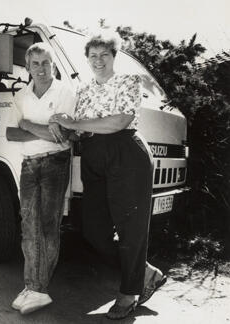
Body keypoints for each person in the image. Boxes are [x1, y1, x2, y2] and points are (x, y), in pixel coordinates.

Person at [49, 30, 167, 320]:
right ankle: (145, 272)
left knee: (130, 228)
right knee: (93, 230)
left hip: (125, 153)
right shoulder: (84, 90)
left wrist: (75, 121)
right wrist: (59, 121)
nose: (98, 60)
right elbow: (77, 128)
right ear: (87, 59)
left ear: (114, 56)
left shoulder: (129, 81)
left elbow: (120, 121)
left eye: (104, 55)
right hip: (92, 158)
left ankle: (129, 293)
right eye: (93, 56)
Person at [6, 42, 76, 315]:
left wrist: (27, 124)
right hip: (28, 166)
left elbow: (64, 136)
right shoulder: (21, 96)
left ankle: (39, 289)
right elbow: (11, 134)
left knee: (47, 226)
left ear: (53, 65)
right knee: (28, 226)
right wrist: (44, 128)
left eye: (45, 63)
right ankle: (32, 285)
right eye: (35, 64)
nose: (41, 68)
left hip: (55, 163)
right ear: (28, 67)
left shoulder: (64, 92)